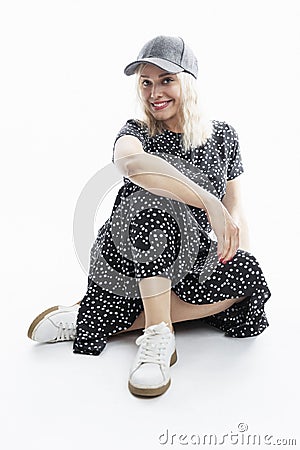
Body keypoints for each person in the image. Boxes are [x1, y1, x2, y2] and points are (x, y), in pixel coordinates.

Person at [27, 35, 271, 398]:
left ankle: (91, 321)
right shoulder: (136, 131)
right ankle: (158, 337)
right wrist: (208, 201)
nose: (155, 91)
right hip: (131, 249)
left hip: (187, 258)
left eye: (166, 80)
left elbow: (235, 205)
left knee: (249, 273)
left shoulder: (223, 136)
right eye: (146, 82)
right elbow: (133, 164)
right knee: (156, 203)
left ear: (188, 80)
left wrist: (234, 247)